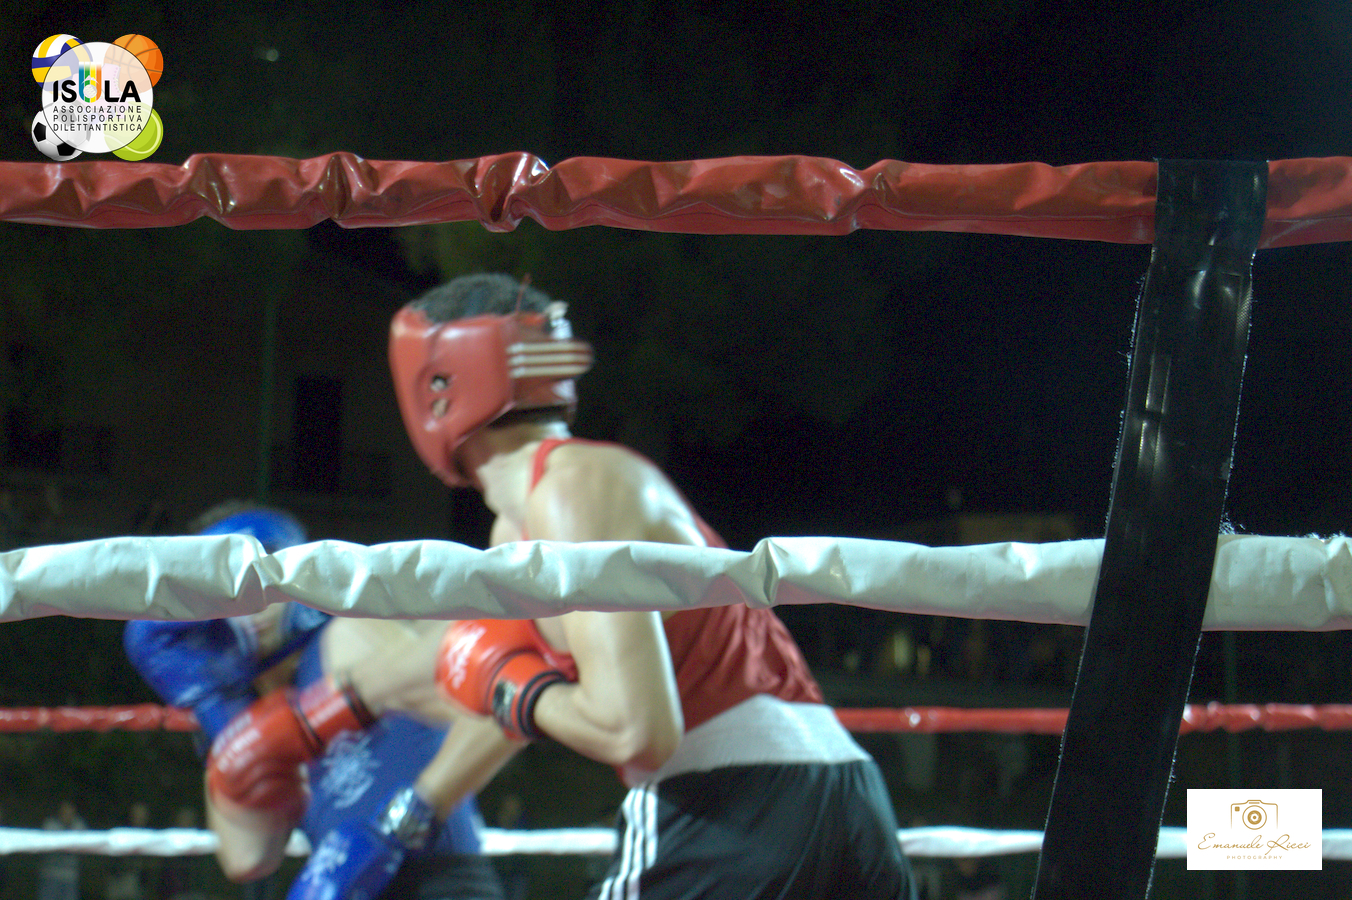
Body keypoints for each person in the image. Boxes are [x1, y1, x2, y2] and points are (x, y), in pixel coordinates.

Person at [380, 273, 915, 899]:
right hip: (845, 804)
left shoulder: (569, 493)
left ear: (436, 389)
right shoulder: (540, 514)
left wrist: (505, 687)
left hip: (730, 810)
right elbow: (519, 687)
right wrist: (418, 804)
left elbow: (635, 732)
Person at [123, 504, 508, 900]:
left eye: (262, 581)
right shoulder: (239, 711)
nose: (252, 606)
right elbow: (247, 857)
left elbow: (490, 689)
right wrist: (216, 705)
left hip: (441, 880)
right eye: (228, 593)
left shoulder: (343, 638)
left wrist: (406, 817)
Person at [38, 799, 85, 900]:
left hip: (70, 876)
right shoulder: (50, 824)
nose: (67, 814)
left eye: (70, 811)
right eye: (65, 811)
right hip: (51, 874)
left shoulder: (78, 825)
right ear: (60, 811)